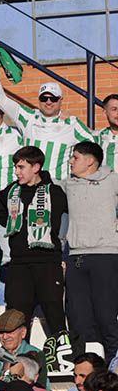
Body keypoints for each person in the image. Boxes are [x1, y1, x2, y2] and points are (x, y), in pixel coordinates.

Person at [1, 146, 69, 358]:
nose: (17, 172)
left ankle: (65, 363)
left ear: (36, 167)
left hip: (48, 263)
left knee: (55, 314)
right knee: (16, 318)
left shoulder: (54, 192)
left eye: (21, 167)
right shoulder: (11, 191)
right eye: (15, 167)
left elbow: (68, 223)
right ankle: (18, 364)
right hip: (19, 265)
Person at [0, 51, 94, 183]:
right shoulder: (28, 117)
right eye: (44, 98)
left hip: (58, 189)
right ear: (38, 100)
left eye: (53, 98)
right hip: (30, 188)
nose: (48, 102)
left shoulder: (72, 123)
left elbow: (94, 147)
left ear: (61, 100)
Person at [64, 140, 118, 364]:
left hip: (106, 256)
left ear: (90, 161)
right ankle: (85, 371)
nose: (70, 161)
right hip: (76, 257)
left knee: (106, 317)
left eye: (75, 157)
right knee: (78, 319)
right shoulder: (67, 185)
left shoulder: (112, 179)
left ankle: (114, 366)